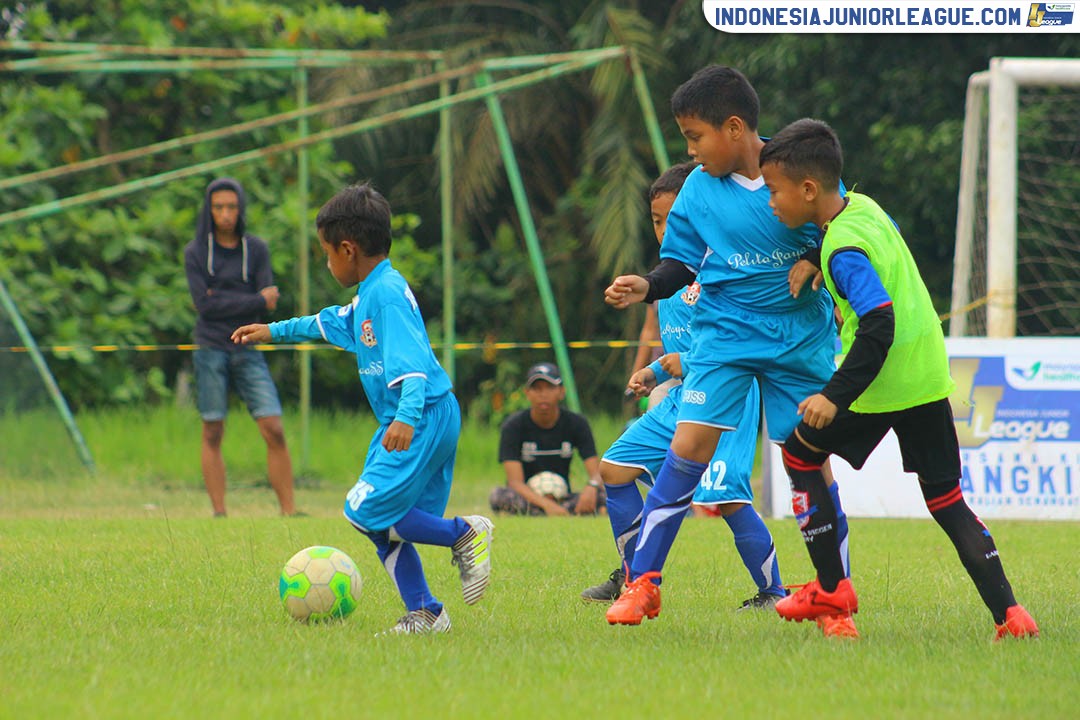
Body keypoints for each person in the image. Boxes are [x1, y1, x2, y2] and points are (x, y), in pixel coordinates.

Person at [759, 118, 1039, 640]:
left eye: (774, 191)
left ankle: (831, 588)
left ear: (808, 189)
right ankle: (1012, 615)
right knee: (946, 499)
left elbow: (878, 321)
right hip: (927, 374)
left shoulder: (843, 251)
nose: (771, 202)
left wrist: (833, 395)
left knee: (799, 453)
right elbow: (870, 253)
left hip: (879, 379)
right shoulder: (865, 209)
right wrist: (813, 255)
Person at [602, 65, 850, 626]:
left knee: (810, 464)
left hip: (797, 340)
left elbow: (841, 224)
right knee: (686, 448)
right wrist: (648, 285)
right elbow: (680, 262)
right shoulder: (697, 188)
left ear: (734, 128)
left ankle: (835, 599)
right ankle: (643, 584)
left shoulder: (797, 170)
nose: (690, 151)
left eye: (695, 137)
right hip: (725, 336)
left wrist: (815, 258)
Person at [231, 183, 493, 635]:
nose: (327, 262)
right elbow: (328, 322)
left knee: (362, 510)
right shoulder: (372, 291)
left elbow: (412, 365)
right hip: (417, 416)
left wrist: (407, 417)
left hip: (419, 415)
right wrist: (274, 331)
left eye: (327, 253)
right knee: (384, 523)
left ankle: (464, 533)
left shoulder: (386, 294)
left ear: (348, 249)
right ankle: (426, 613)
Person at [581, 162, 787, 610]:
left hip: (729, 394)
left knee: (725, 495)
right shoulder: (668, 280)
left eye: (673, 219)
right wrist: (656, 371)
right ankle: (634, 578)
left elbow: (739, 339)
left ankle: (773, 592)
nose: (664, 230)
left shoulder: (725, 269)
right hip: (682, 396)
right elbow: (679, 347)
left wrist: (685, 362)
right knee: (614, 470)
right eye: (657, 221)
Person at [183, 177, 296, 517]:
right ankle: (220, 512)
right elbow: (205, 306)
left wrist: (225, 299)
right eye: (218, 207)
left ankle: (289, 512)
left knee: (274, 428)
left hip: (247, 347)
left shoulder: (257, 249)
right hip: (209, 348)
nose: (225, 214)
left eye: (231, 207)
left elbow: (268, 304)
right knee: (213, 429)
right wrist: (253, 300)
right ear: (209, 210)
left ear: (241, 209)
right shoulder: (195, 252)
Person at [489, 362, 606, 516]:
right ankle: (558, 512)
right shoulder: (513, 426)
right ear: (527, 393)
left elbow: (596, 473)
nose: (543, 394)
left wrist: (592, 486)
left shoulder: (577, 423)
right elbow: (515, 482)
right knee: (499, 496)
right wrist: (547, 505)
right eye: (537, 389)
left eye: (550, 388)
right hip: (527, 497)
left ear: (561, 392)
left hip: (563, 497)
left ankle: (552, 511)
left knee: (605, 494)